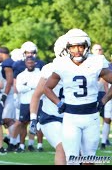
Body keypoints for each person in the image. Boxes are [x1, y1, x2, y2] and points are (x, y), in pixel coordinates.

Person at [44, 28, 112, 165]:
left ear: (86, 46)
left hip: (91, 116)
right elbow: (47, 88)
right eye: (73, 47)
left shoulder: (96, 62)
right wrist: (58, 103)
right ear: (68, 48)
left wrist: (104, 100)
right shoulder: (62, 64)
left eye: (80, 46)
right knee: (72, 159)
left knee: (89, 159)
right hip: (71, 117)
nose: (77, 50)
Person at [29, 34, 68, 165]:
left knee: (81, 154)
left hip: (72, 118)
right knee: (62, 146)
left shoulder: (83, 67)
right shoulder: (51, 68)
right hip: (51, 117)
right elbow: (36, 95)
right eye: (73, 47)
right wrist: (33, 118)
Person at [91, 43, 111, 149]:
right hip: (92, 94)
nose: (98, 51)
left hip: (103, 94)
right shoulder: (87, 62)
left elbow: (105, 80)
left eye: (100, 49)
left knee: (105, 118)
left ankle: (104, 140)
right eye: (96, 49)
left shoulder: (105, 62)